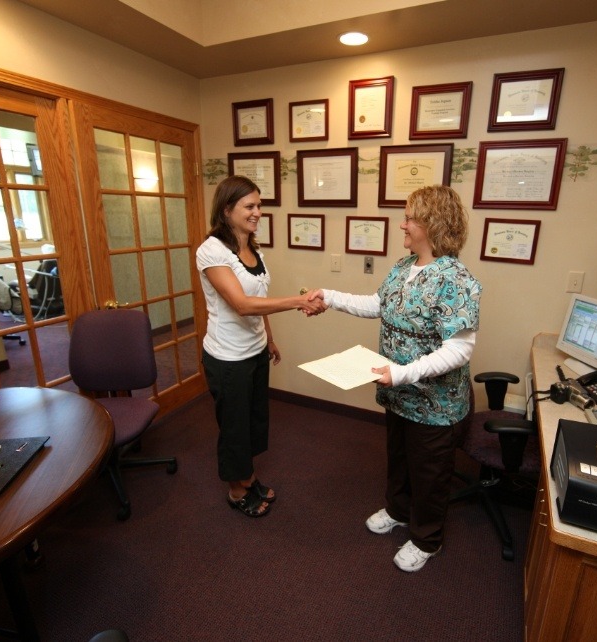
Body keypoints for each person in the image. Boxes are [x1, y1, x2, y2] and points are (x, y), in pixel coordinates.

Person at [308, 185, 482, 572]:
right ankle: (399, 511)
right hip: (399, 395)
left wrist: (403, 372)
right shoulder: (405, 267)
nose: (402, 224)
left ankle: (426, 539)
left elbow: (459, 350)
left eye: (410, 218)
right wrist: (330, 296)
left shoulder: (455, 279)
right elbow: (378, 305)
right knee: (401, 459)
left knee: (431, 473)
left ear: (432, 224)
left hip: (435, 405)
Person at [197, 175, 323, 518]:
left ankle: (248, 476)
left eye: (259, 205)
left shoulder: (254, 251)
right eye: (249, 206)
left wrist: (268, 338)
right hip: (227, 357)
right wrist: (299, 301)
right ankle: (237, 490)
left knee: (253, 419)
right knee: (234, 425)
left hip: (254, 350)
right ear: (227, 209)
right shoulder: (212, 251)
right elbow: (241, 304)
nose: (257, 212)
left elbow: (259, 300)